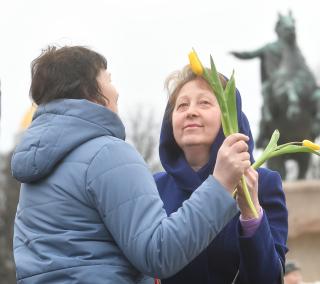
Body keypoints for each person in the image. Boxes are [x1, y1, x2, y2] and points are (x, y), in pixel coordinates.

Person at [11, 46, 252, 283]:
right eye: (109, 79)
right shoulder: (107, 154)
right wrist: (220, 185)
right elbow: (158, 253)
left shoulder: (37, 167)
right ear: (92, 91)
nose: (116, 91)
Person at [154, 65, 288, 283]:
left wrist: (252, 216)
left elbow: (269, 278)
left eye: (204, 102)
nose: (191, 112)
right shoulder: (153, 188)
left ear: (230, 116)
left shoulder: (262, 183)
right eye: (182, 105)